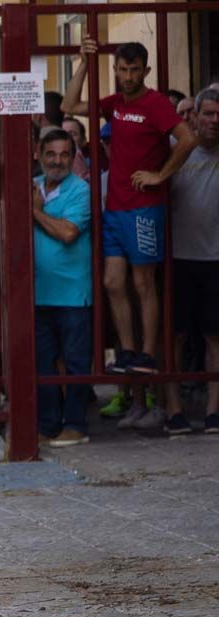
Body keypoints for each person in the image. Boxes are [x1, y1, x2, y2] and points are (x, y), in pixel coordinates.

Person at [64, 38, 198, 377]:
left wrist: (160, 175)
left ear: (146, 70)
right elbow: (69, 104)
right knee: (112, 282)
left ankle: (147, 354)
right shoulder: (115, 103)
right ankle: (127, 351)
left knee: (143, 283)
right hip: (115, 208)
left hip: (144, 208)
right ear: (116, 71)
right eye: (122, 70)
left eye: (134, 70)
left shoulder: (155, 104)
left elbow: (188, 139)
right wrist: (82, 63)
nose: (127, 76)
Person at [30, 129, 94, 447]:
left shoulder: (80, 190)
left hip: (72, 292)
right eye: (51, 154)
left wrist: (35, 211)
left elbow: (69, 233)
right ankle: (49, 425)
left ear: (73, 157)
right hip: (38, 292)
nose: (57, 160)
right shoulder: (32, 186)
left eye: (64, 154)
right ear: (40, 155)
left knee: (76, 361)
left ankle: (76, 425)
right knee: (43, 362)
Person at [165, 89, 219, 435]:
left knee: (216, 337)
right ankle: (174, 410)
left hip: (215, 258)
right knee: (175, 336)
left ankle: (214, 411)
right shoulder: (177, 154)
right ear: (194, 116)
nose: (215, 121)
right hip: (178, 258)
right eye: (209, 114)